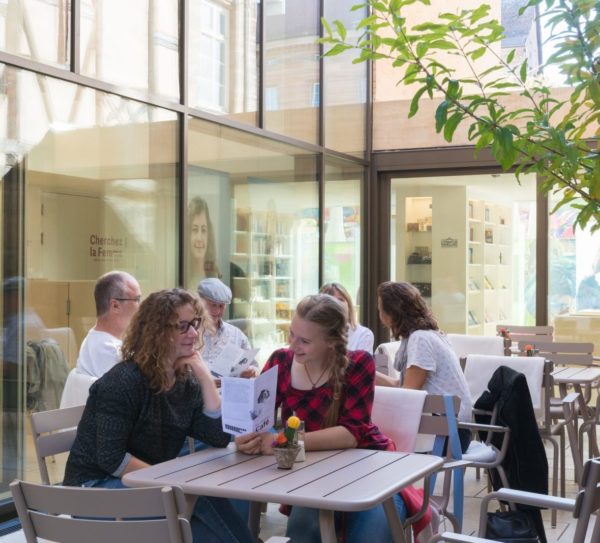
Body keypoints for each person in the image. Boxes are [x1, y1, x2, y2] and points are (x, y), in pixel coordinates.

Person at [63, 288, 253, 543]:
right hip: (94, 491)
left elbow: (218, 436)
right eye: (183, 326)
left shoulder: (185, 382)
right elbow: (111, 459)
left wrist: (205, 377)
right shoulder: (123, 381)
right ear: (158, 332)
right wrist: (169, 483)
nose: (194, 333)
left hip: (141, 484)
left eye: (195, 324)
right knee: (199, 496)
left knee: (208, 506)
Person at [235, 294, 407, 543]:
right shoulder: (280, 361)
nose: (293, 345)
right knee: (304, 533)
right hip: (310, 476)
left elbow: (351, 434)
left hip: (367, 469)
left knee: (371, 536)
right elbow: (256, 419)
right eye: (291, 333)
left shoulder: (359, 363)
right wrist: (246, 435)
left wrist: (278, 441)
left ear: (331, 342)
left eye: (304, 340)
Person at [375, 281, 472, 453]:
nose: (379, 313)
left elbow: (408, 393)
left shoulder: (420, 339)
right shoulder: (427, 335)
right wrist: (368, 373)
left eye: (380, 308)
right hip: (451, 429)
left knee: (372, 435)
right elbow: (403, 386)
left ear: (391, 314)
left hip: (449, 436)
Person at [75, 271, 141, 378]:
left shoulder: (92, 340)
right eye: (137, 299)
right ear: (115, 305)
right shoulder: (112, 353)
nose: (140, 306)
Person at [198, 278, 258, 378]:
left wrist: (250, 372)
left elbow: (253, 366)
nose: (217, 311)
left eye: (221, 306)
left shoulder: (236, 335)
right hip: (198, 392)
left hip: (230, 390)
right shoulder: (190, 334)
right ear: (200, 303)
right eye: (213, 305)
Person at [320, 282, 374, 353]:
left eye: (341, 300)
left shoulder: (363, 334)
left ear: (348, 305)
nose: (337, 305)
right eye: (332, 301)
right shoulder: (313, 333)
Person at [188, 196, 220, 290]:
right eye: (194, 230)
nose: (199, 238)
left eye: (203, 230)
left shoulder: (214, 277)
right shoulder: (182, 275)